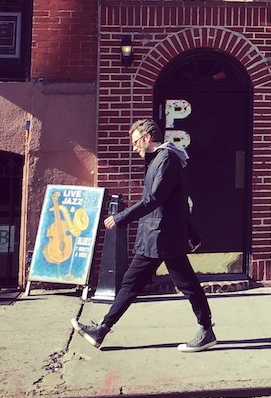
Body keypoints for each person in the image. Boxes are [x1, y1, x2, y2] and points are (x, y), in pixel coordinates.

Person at [71, 118, 217, 352]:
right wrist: (191, 232)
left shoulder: (166, 159)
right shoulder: (158, 160)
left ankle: (206, 330)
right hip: (156, 236)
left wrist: (120, 218)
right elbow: (174, 202)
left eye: (136, 141)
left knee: (186, 284)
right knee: (132, 283)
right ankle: (102, 329)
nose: (134, 147)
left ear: (148, 138)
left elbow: (155, 199)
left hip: (162, 237)